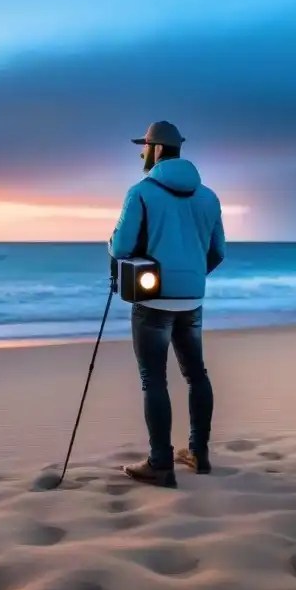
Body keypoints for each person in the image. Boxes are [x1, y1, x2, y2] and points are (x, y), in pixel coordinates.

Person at [108, 120, 226, 488]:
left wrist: (111, 244)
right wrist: (190, 276)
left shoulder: (141, 192)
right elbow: (218, 251)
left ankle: (161, 463)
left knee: (153, 379)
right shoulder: (208, 196)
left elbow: (122, 247)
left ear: (157, 150)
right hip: (192, 300)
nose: (142, 153)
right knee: (196, 374)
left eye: (144, 147)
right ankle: (198, 454)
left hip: (153, 299)